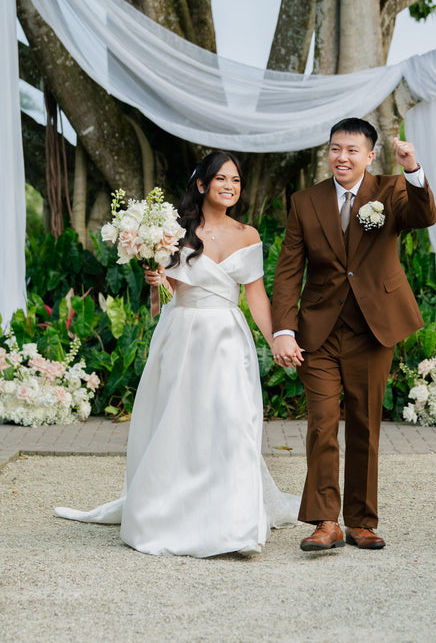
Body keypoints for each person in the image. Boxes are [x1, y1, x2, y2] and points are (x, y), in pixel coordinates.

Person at [55, 151, 299, 557]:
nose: (229, 186)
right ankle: (171, 512)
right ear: (201, 185)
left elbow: (255, 296)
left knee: (234, 422)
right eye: (221, 179)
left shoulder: (248, 235)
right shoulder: (172, 232)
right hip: (183, 333)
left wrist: (276, 338)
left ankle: (237, 526)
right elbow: (162, 300)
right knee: (180, 422)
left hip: (227, 338)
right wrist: (156, 279)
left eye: (235, 180)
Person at [271, 117, 436, 552]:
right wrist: (283, 330)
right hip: (319, 331)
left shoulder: (391, 190)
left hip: (372, 328)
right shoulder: (305, 202)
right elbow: (289, 270)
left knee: (365, 425)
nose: (341, 157)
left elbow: (424, 216)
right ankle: (327, 521)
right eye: (334, 149)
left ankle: (361, 520)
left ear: (369, 155)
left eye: (351, 150)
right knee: (322, 424)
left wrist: (413, 169)